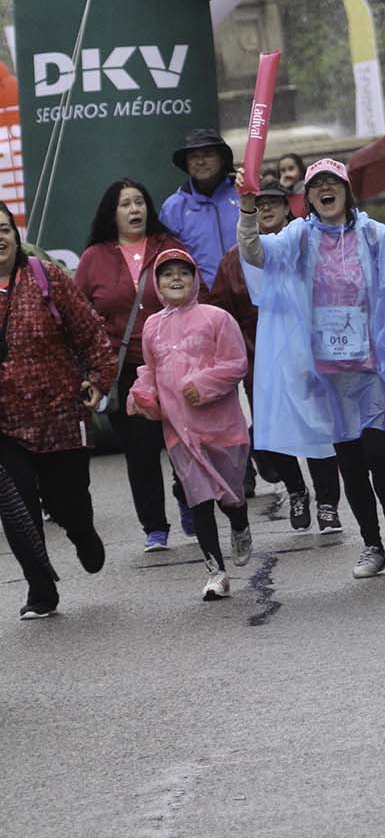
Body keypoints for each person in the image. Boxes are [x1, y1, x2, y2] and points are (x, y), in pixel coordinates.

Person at [238, 158, 385, 579]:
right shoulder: (300, 237)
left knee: (377, 450)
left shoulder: (377, 237)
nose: (325, 190)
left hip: (373, 367)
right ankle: (371, 544)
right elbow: (256, 254)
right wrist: (246, 210)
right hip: (327, 375)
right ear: (307, 197)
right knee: (350, 463)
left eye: (333, 182)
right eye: (317, 185)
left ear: (347, 190)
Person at [0, 201, 116, 620]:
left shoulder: (44, 277)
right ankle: (40, 590)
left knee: (68, 503)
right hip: (6, 426)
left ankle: (82, 532)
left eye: (4, 229)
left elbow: (91, 334)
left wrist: (99, 379)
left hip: (60, 417)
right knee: (18, 509)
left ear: (16, 235)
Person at [209, 173, 343, 535]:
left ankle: (328, 502)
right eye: (260, 203)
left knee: (319, 428)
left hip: (309, 350)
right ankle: (297, 491)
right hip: (262, 358)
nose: (267, 208)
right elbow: (220, 313)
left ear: (288, 208)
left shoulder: (307, 241)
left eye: (274, 202)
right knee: (275, 430)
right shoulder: (237, 258)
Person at [76, 179, 197, 550]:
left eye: (140, 202)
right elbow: (79, 315)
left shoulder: (169, 247)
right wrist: (91, 371)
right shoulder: (94, 257)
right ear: (111, 213)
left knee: (184, 442)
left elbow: (197, 297)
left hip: (175, 362)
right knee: (141, 450)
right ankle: (154, 527)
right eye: (125, 203)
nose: (134, 210)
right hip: (123, 369)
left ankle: (189, 496)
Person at [128, 250, 252, 601]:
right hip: (180, 431)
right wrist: (143, 394)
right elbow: (149, 370)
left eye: (184, 272)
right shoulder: (152, 325)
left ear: (196, 278)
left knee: (230, 497)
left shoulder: (217, 318)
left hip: (222, 427)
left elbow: (235, 363)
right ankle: (216, 571)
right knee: (199, 499)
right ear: (157, 284)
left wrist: (205, 385)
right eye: (167, 275)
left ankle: (240, 522)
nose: (176, 279)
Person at [160, 129, 240, 287]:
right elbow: (168, 263)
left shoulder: (244, 194)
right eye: (194, 157)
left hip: (253, 299)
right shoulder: (173, 208)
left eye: (208, 154)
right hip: (203, 303)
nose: (200, 162)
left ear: (222, 159)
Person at [276, 153, 307, 218]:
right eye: (283, 170)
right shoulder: (278, 195)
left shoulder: (308, 191)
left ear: (300, 170)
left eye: (291, 168)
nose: (287, 173)